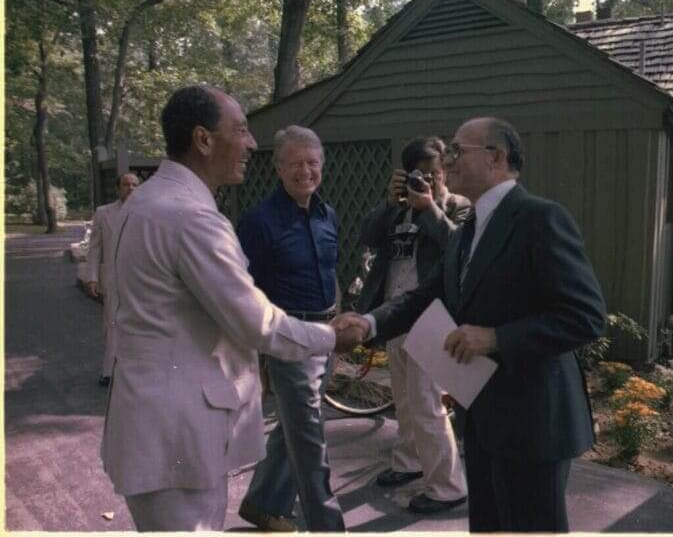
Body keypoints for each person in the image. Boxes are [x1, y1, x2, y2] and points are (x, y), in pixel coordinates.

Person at [100, 85, 362, 532]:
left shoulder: (147, 200)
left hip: (156, 425)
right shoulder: (192, 217)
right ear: (203, 140)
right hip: (180, 437)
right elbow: (256, 322)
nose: (251, 143)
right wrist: (332, 336)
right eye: (240, 130)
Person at [336, 117, 606, 532]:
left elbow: (585, 316)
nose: (448, 160)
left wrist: (497, 338)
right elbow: (426, 296)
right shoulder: (468, 230)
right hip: (482, 417)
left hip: (534, 422)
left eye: (458, 150)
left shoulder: (540, 218)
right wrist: (368, 323)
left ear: (496, 157)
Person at [235, 126, 345, 532]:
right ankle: (327, 528)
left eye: (312, 162)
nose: (305, 171)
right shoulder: (259, 222)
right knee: (310, 439)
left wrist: (337, 330)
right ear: (278, 168)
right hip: (287, 341)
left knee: (296, 426)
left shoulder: (328, 215)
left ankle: (263, 502)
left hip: (325, 335)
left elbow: (330, 274)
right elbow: (245, 295)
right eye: (295, 163)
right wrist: (258, 359)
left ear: (322, 166)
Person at [356, 136, 470, 514]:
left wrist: (430, 208)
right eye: (420, 175)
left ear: (444, 172)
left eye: (435, 173)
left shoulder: (457, 206)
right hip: (396, 313)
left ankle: (447, 486)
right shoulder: (397, 208)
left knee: (426, 403)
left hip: (432, 317)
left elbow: (460, 248)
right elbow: (367, 237)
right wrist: (391, 204)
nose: (430, 181)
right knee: (403, 399)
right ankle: (409, 461)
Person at [85, 171, 140, 386]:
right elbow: (95, 248)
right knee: (112, 323)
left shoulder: (146, 212)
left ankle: (135, 371)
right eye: (126, 185)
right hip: (112, 279)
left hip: (139, 279)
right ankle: (108, 371)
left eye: (135, 185)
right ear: (118, 188)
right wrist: (92, 277)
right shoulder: (104, 213)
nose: (131, 189)